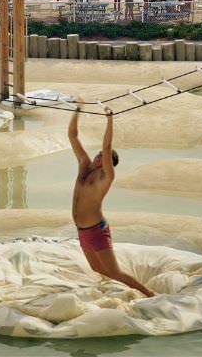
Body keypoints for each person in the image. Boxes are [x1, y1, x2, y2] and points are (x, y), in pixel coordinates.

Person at [69, 106, 155, 298]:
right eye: (98, 153)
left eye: (102, 156)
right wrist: (77, 111)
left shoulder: (105, 177)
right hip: (82, 230)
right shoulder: (84, 168)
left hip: (96, 230)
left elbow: (107, 147)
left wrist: (109, 119)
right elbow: (73, 137)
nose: (98, 155)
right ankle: (113, 290)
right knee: (96, 268)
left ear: (107, 162)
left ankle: (149, 293)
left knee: (114, 271)